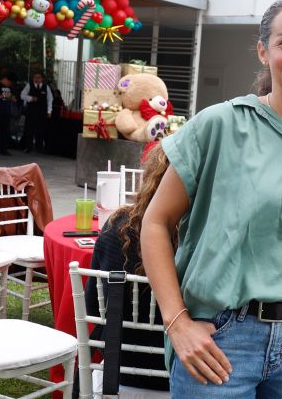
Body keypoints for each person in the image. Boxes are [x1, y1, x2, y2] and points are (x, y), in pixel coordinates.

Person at [140, 0, 282, 398]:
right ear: (263, 50)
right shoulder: (220, 124)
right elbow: (155, 223)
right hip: (221, 339)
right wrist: (177, 322)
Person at [84, 143, 173, 391]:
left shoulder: (116, 227)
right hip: (179, 375)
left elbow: (93, 306)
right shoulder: (198, 238)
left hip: (117, 369)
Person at [20, 71, 53, 153]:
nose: (37, 79)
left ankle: (39, 148)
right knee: (29, 130)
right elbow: (22, 95)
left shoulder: (46, 87)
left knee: (41, 130)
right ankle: (28, 147)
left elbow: (50, 99)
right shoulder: (29, 85)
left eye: (39, 77)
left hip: (42, 112)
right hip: (31, 111)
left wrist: (49, 111)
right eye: (35, 77)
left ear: (42, 79)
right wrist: (30, 98)